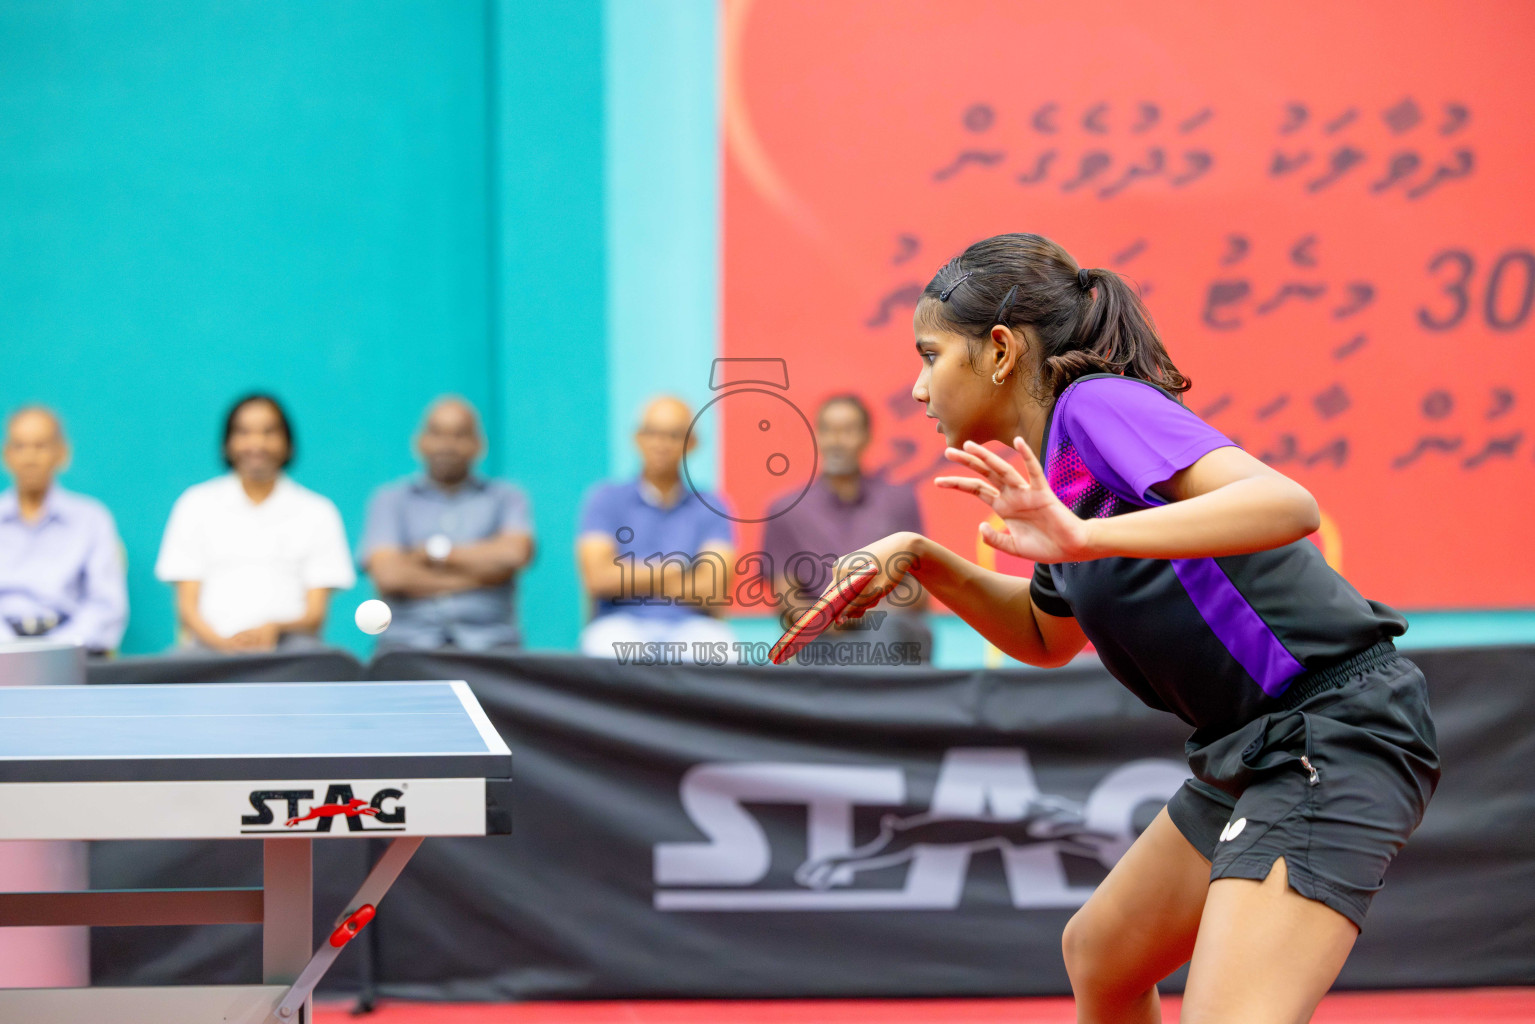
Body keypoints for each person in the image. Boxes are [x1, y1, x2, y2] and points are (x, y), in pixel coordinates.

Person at [829, 234, 1439, 1024]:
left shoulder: (1097, 407)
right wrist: (922, 559)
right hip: (1246, 750)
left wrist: (1085, 539)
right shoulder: (1055, 476)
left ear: (1000, 351)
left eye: (929, 355)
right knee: (1103, 956)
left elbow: (1288, 507)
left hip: (1333, 732)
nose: (916, 389)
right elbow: (1045, 638)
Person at [155, 394, 355, 653]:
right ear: (227, 443)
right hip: (208, 650)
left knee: (327, 661)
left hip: (288, 651)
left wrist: (273, 630)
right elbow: (187, 609)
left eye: (269, 432)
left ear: (288, 443)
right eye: (244, 432)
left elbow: (315, 614)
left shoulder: (318, 512)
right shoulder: (194, 504)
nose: (256, 443)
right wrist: (225, 647)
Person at [760, 393, 932, 662]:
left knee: (887, 633)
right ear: (817, 436)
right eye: (828, 430)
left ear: (867, 436)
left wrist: (860, 612)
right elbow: (786, 596)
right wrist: (825, 621)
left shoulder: (898, 501)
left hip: (885, 624)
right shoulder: (787, 510)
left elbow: (918, 589)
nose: (837, 440)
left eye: (848, 430)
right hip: (821, 634)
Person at [358, 397, 535, 652]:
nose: (447, 445)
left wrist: (432, 555)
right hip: (406, 646)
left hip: (492, 647)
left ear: (479, 444)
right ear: (420, 442)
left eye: (460, 435)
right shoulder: (389, 500)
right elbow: (389, 576)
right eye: (437, 433)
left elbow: (514, 554)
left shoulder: (507, 498)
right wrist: (486, 575)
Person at [576, 396, 736, 661]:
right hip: (619, 623)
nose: (661, 444)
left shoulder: (712, 506)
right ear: (637, 438)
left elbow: (713, 588)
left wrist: (630, 576)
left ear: (692, 443)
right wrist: (673, 571)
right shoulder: (605, 499)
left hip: (691, 627)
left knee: (722, 650)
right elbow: (598, 578)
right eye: (652, 433)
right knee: (606, 648)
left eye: (673, 435)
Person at [0, 407, 127, 655]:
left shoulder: (92, 519)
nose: (30, 458)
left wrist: (56, 650)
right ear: (7, 455)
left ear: (62, 453)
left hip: (74, 655)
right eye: (20, 446)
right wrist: (10, 650)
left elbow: (106, 605)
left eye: (41, 446)